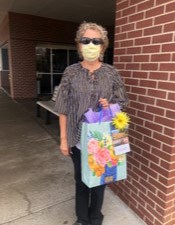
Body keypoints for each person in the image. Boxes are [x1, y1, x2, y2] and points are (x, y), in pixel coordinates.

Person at [54, 22, 128, 225]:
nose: (91, 45)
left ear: (103, 46)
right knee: (81, 181)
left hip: (104, 139)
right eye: (86, 40)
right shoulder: (70, 72)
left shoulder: (111, 72)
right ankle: (82, 219)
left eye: (96, 41)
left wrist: (110, 104)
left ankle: (95, 217)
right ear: (79, 44)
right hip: (78, 139)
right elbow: (62, 108)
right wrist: (63, 140)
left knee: (100, 181)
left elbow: (123, 101)